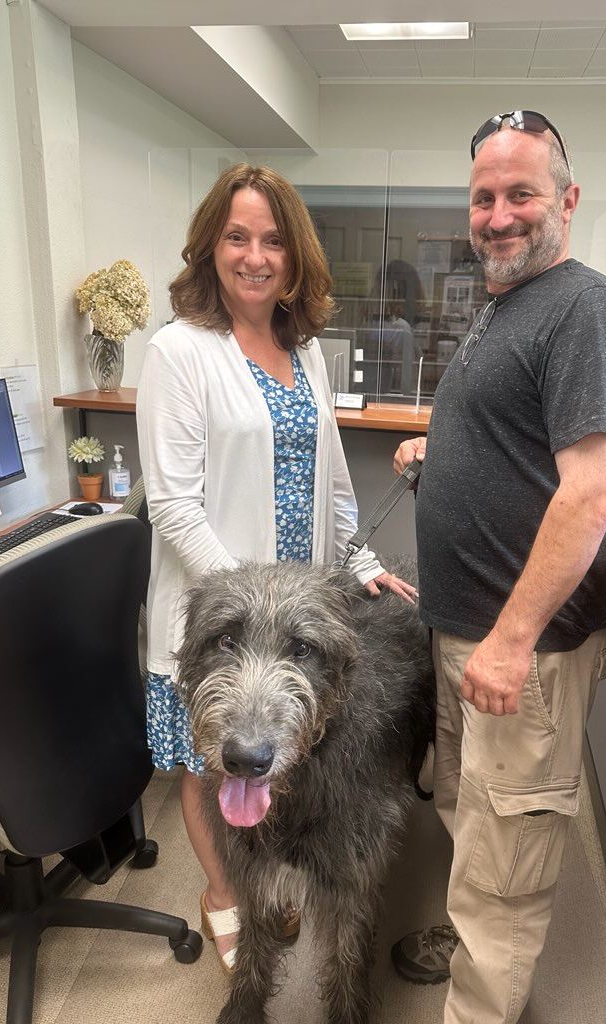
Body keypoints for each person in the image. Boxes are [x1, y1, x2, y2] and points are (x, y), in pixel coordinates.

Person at [389, 111, 606, 1023]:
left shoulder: (590, 312)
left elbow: (592, 493)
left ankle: (481, 996)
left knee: (506, 869)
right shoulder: (512, 305)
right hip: (473, 638)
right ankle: (468, 945)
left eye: (522, 194)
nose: (499, 215)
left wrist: (509, 640)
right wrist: (442, 449)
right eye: (484, 198)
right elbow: (526, 442)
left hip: (519, 656)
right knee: (473, 822)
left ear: (568, 200)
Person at [136, 163, 416, 975]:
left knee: (282, 750)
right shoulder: (179, 352)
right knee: (210, 761)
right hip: (219, 611)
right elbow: (174, 506)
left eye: (272, 241)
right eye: (236, 237)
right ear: (209, 248)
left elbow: (329, 474)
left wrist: (356, 559)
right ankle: (226, 891)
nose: (255, 256)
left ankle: (269, 874)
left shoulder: (305, 349)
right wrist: (252, 607)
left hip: (298, 615)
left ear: (295, 258)